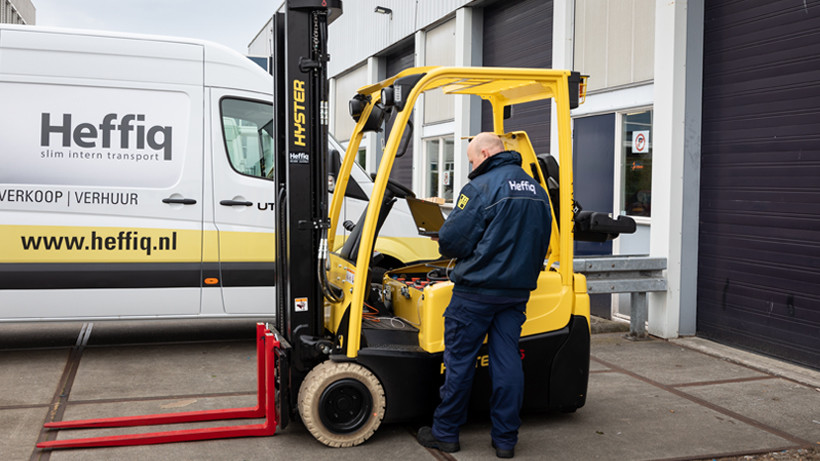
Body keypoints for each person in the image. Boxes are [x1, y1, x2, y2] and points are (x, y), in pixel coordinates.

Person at [416, 132, 552, 459]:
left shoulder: (481, 187)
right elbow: (542, 239)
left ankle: (445, 432)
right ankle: (505, 440)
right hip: (515, 293)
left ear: (487, 152)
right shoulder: (537, 190)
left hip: (476, 292)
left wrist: (447, 242)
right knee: (507, 362)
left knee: (459, 362)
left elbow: (452, 240)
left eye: (472, 159)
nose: (471, 167)